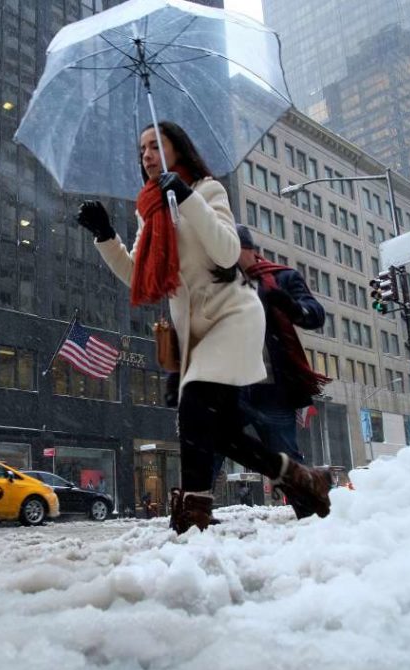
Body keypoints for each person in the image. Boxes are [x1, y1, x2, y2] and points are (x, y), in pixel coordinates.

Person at [77, 121, 332, 534]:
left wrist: (188, 197)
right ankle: (300, 478)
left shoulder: (209, 191)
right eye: (141, 148)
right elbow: (138, 275)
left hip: (232, 317)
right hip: (195, 331)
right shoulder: (151, 212)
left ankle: (193, 516)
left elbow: (228, 252)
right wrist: (105, 235)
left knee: (194, 409)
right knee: (220, 432)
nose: (146, 155)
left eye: (155, 146)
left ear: (178, 149)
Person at [234, 224, 332, 519]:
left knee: (285, 457)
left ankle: (311, 517)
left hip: (273, 389)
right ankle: (194, 517)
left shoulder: (281, 277)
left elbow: (314, 313)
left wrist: (291, 307)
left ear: (250, 250)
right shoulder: (218, 283)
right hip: (232, 387)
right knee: (209, 445)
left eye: (232, 248)